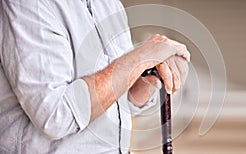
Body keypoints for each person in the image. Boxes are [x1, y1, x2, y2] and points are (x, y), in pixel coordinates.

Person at [0, 0, 190, 153]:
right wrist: (139, 58)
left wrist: (150, 74)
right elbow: (55, 116)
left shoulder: (109, 4)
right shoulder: (29, 5)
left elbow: (119, 104)